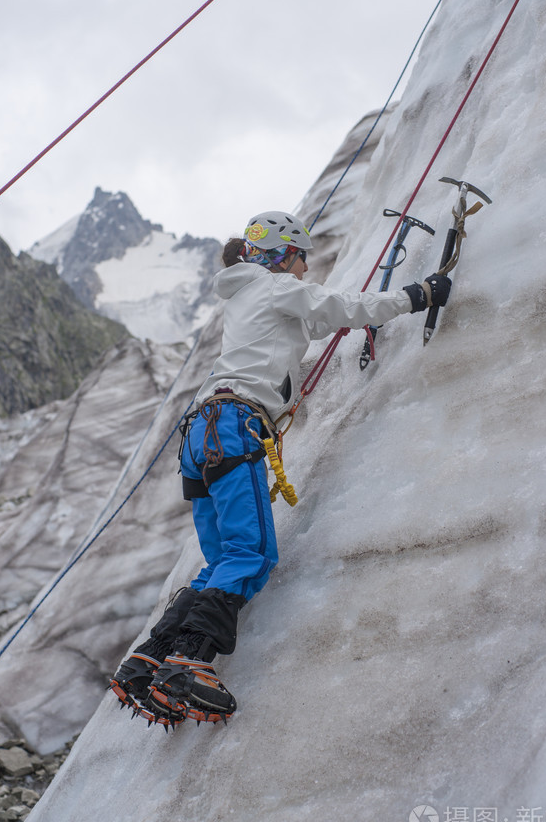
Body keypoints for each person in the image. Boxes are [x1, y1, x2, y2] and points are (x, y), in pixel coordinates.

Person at [111, 210, 450, 725]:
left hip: (201, 437)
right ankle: (188, 662)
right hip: (234, 428)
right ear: (285, 254)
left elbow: (311, 321)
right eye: (301, 258)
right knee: (253, 553)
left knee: (221, 559)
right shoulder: (272, 287)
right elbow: (342, 306)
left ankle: (146, 663)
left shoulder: (248, 293)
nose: (304, 267)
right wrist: (416, 295)